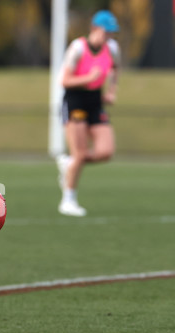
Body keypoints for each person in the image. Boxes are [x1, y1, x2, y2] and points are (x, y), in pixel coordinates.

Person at [57, 10, 121, 217]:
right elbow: (64, 80)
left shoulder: (112, 48)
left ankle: (69, 164)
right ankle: (68, 200)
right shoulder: (78, 48)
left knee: (106, 151)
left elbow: (116, 69)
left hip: (95, 101)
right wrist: (88, 78)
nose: (109, 36)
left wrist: (111, 91)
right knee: (80, 153)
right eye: (106, 31)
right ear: (95, 28)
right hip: (75, 100)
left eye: (111, 32)